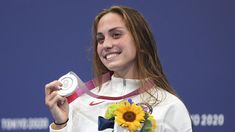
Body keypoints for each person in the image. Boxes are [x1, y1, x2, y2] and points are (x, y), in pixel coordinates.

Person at [45, 5, 193, 132]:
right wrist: (61, 124)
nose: (106, 45)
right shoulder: (78, 105)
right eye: (100, 39)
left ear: (140, 41)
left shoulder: (170, 106)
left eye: (116, 35)